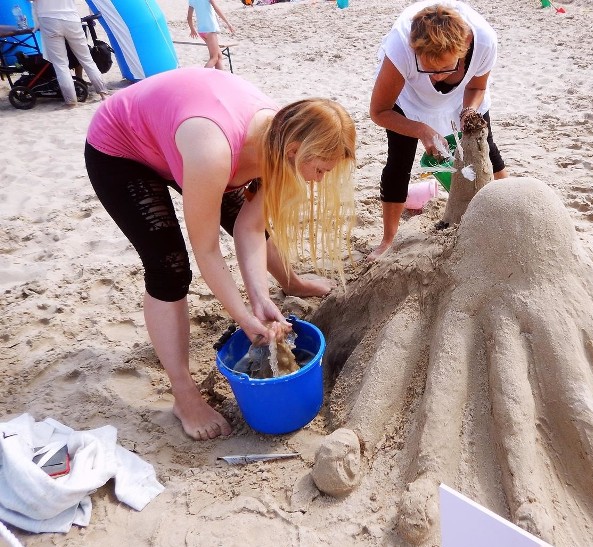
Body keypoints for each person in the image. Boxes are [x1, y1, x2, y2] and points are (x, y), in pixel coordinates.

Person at [84, 67, 356, 440]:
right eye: (320, 170)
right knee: (170, 267)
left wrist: (259, 298)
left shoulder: (285, 138)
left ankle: (289, 282)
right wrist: (244, 318)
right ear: (294, 151)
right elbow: (207, 250)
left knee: (249, 225)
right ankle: (184, 395)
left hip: (187, 137)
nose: (320, 180)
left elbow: (249, 227)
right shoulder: (214, 152)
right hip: (124, 147)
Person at [368, 1, 509, 260]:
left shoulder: (484, 41)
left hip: (463, 97)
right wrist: (422, 130)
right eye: (427, 69)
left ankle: (510, 212)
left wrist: (469, 111)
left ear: (464, 46)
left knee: (487, 147)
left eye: (443, 69)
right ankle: (389, 240)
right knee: (399, 160)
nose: (434, 78)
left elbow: (476, 88)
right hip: (408, 98)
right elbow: (379, 111)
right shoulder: (401, 47)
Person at [29, 0, 109, 106]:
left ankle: (71, 100)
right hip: (71, 17)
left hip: (48, 20)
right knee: (86, 59)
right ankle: (103, 93)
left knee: (61, 65)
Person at [187, 0, 235, 70]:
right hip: (210, 29)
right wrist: (228, 23)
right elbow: (216, 9)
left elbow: (189, 17)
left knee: (219, 57)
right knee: (214, 58)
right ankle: (201, 77)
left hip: (201, 31)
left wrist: (192, 29)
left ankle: (219, 79)